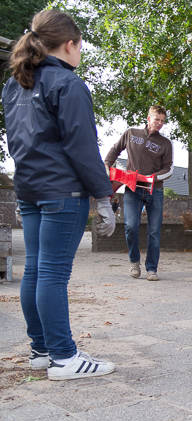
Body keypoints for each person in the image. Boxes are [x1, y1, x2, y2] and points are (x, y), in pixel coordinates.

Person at [2, 9, 116, 380]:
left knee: (34, 270)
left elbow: (17, 142)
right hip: (63, 190)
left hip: (29, 188)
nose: (80, 53)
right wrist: (103, 197)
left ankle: (41, 349)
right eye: (80, 45)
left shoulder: (15, 84)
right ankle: (65, 357)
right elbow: (83, 147)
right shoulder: (68, 84)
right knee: (51, 273)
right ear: (69, 44)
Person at [104, 105, 173, 281]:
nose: (159, 123)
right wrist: (106, 165)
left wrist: (152, 178)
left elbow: (169, 169)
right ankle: (134, 262)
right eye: (157, 119)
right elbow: (114, 150)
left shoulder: (165, 143)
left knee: (154, 231)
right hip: (132, 190)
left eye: (162, 121)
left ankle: (152, 269)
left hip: (154, 191)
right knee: (130, 226)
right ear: (148, 118)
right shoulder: (131, 134)